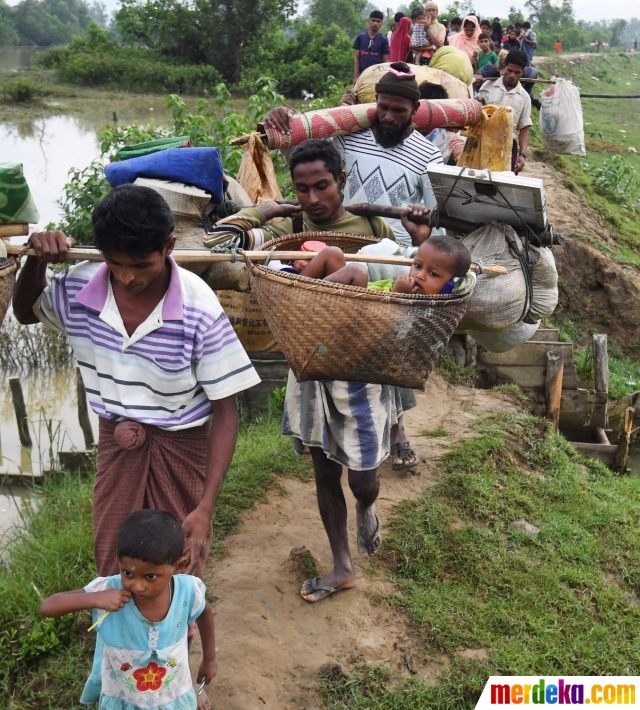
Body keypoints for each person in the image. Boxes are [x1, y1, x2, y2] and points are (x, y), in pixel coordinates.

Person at [12, 185, 260, 579]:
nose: (128, 278)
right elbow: (26, 313)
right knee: (116, 558)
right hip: (117, 443)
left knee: (177, 563)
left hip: (180, 447)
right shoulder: (79, 288)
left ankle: (176, 633)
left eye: (141, 265)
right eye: (115, 263)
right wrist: (36, 260)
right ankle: (120, 635)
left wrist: (205, 508)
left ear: (169, 246)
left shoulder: (198, 307)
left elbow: (225, 412)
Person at [40, 510, 217, 710]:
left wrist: (209, 659)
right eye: (128, 573)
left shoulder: (187, 591)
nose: (137, 586)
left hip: (171, 695)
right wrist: (95, 598)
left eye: (150, 577)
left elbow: (204, 612)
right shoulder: (108, 590)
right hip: (123, 699)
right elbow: (48, 606)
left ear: (178, 566)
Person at [287, 235, 472, 296]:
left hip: (359, 312)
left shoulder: (431, 304)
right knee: (332, 253)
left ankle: (308, 297)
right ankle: (294, 290)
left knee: (357, 271)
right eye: (417, 266)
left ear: (449, 286)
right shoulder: (413, 287)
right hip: (358, 294)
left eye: (433, 274)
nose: (420, 275)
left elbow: (389, 323)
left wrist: (397, 294)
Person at [476, 49, 532, 174]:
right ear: (504, 68)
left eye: (517, 72)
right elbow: (475, 110)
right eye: (509, 70)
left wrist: (522, 154)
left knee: (501, 185)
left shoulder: (524, 97)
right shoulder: (487, 86)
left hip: (507, 148)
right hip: (482, 143)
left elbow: (524, 127)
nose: (512, 75)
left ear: (522, 73)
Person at [353, 10, 390, 83]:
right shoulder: (360, 38)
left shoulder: (384, 40)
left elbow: (386, 61)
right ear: (368, 21)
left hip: (376, 78)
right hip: (362, 77)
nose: (375, 23)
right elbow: (356, 58)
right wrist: (356, 76)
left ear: (381, 24)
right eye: (373, 20)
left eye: (378, 21)